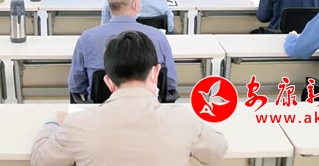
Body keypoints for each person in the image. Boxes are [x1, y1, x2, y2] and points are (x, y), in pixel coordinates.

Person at [33, 31, 227, 166]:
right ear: (156, 73)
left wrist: (54, 124)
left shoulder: (77, 125)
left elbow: (41, 161)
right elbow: (218, 151)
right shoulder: (182, 120)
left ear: (108, 82)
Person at [69, 0, 178, 99]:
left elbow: (76, 86)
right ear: (136, 4)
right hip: (146, 110)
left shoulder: (87, 39)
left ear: (109, 4)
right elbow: (170, 83)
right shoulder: (158, 37)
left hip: (102, 110)